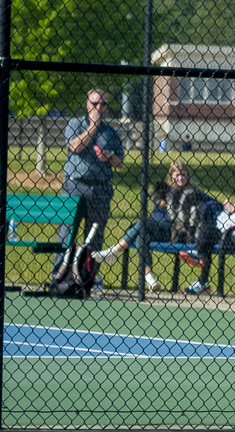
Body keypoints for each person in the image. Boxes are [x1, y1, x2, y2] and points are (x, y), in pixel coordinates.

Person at [94, 160, 216, 292]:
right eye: (177, 175)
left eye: (184, 175)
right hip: (162, 229)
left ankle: (115, 252)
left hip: (182, 234)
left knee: (141, 225)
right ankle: (149, 276)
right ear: (171, 176)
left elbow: (215, 204)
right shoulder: (163, 190)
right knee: (142, 232)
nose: (181, 178)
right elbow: (158, 216)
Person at [62, 89, 125, 249]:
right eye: (95, 103)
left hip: (100, 188)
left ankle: (88, 273)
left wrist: (109, 157)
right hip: (75, 185)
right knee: (67, 234)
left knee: (95, 237)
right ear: (87, 104)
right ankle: (60, 272)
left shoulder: (111, 132)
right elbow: (75, 147)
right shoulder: (75, 124)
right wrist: (93, 126)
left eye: (103, 104)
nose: (98, 107)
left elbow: (120, 162)